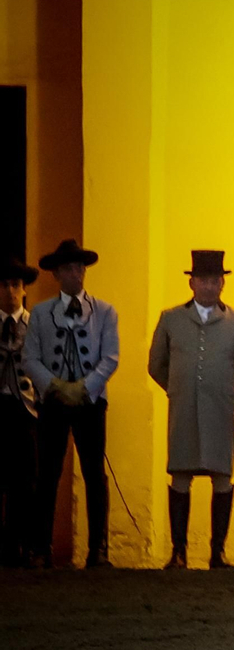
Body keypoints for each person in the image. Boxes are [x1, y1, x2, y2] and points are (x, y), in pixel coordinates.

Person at [148, 251, 234, 569]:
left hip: (221, 408)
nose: (209, 286)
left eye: (215, 280)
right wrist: (177, 388)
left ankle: (217, 551)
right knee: (181, 473)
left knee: (222, 474)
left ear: (222, 283)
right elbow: (156, 364)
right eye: (203, 280)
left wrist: (225, 389)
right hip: (183, 408)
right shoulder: (171, 319)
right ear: (192, 283)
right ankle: (178, 551)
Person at [21, 239, 120, 568]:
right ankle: (41, 547)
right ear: (57, 274)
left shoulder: (104, 311)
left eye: (79, 267)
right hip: (53, 400)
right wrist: (55, 386)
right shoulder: (40, 313)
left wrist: (85, 388)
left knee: (94, 473)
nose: (75, 273)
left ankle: (98, 548)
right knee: (48, 473)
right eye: (68, 268)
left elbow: (111, 357)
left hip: (90, 401)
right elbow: (30, 358)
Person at [1, 255, 39, 567]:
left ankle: (22, 545)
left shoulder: (36, 327)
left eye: (15, 285)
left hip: (26, 409)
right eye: (4, 285)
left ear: (24, 289)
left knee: (24, 479)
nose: (10, 291)